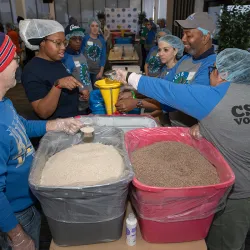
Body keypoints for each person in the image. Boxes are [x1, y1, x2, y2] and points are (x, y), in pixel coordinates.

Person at [114, 47, 250, 250]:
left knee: (222, 243)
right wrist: (204, 126)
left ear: (222, 74)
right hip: (237, 188)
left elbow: (169, 92)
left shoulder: (214, 96)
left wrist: (129, 76)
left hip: (236, 194)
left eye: (213, 69)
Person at [0, 32, 83, 250]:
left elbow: (23, 126)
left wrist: (56, 124)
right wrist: (15, 235)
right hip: (15, 213)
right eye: (13, 60)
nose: (17, 66)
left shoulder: (5, 103)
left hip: (29, 199)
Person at [20, 19, 84, 120]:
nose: (63, 47)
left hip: (71, 122)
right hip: (55, 130)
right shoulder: (31, 71)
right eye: (58, 43)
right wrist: (57, 86)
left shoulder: (57, 61)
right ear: (42, 42)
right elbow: (43, 112)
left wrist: (77, 92)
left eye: (64, 43)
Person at [116, 35, 184, 117]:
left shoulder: (179, 73)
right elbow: (153, 88)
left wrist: (137, 103)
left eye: (166, 50)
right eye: (159, 50)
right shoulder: (165, 69)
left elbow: (171, 105)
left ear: (175, 51)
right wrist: (132, 93)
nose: (160, 54)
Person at [62, 25, 92, 115]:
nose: (78, 41)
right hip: (77, 102)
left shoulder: (80, 54)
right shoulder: (66, 59)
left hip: (88, 99)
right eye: (74, 38)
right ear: (68, 40)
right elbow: (66, 80)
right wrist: (80, 90)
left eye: (80, 38)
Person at [81, 18, 106, 90]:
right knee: (87, 91)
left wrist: (101, 72)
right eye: (92, 26)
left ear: (99, 28)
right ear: (89, 27)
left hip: (97, 72)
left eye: (97, 26)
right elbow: (81, 55)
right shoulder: (85, 39)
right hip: (86, 71)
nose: (95, 28)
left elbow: (103, 57)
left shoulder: (101, 40)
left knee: (96, 92)